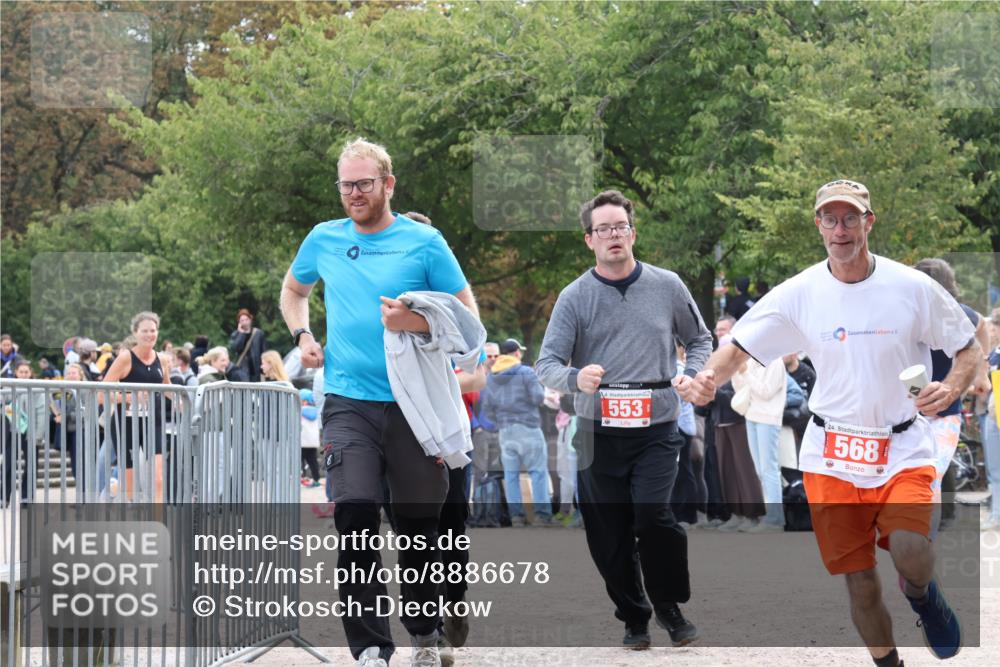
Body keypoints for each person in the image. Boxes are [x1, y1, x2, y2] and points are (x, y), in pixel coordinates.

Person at [680, 179, 977, 666]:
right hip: (832, 455)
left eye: (850, 218)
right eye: (830, 219)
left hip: (902, 447)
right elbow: (740, 344)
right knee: (859, 581)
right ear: (818, 225)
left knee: (910, 550)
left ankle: (922, 595)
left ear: (868, 222)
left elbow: (968, 345)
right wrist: (707, 378)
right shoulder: (800, 293)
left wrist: (955, 385)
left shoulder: (912, 287)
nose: (840, 229)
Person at [280, 137, 479, 667]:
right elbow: (294, 290)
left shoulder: (425, 242)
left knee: (417, 525)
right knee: (355, 512)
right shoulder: (324, 238)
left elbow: (469, 326)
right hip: (348, 401)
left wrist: (412, 321)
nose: (354, 194)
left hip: (414, 407)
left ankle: (424, 632)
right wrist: (303, 336)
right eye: (346, 185)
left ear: (388, 184)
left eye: (364, 183)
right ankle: (370, 647)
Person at [535, 189, 711, 650]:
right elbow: (547, 364)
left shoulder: (667, 285)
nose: (613, 235)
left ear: (632, 233)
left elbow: (700, 340)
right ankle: (635, 617)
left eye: (620, 227)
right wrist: (577, 377)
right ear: (589, 240)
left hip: (656, 427)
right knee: (608, 534)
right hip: (597, 433)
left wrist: (690, 376)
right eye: (603, 229)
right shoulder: (574, 297)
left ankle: (669, 606)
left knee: (654, 516)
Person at [912, 258, 990, 532]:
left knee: (929, 477)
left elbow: (983, 327)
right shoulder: (905, 314)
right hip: (909, 416)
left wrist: (981, 370)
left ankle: (924, 544)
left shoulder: (957, 313)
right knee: (916, 479)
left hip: (945, 416)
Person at [478, 338, 554, 527]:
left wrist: (501, 422)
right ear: (517, 353)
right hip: (528, 427)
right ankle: (542, 516)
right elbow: (537, 397)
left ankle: (516, 517)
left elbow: (487, 409)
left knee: (511, 475)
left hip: (505, 431)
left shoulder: (491, 377)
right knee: (537, 472)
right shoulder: (526, 373)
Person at [102, 312, 172, 503]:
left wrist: (184, 399)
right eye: (144, 331)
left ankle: (158, 522)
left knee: (158, 478)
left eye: (153, 330)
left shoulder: (163, 359)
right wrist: (129, 398)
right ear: (135, 333)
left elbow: (167, 387)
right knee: (130, 485)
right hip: (126, 423)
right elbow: (101, 394)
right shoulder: (126, 358)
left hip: (153, 422)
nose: (149, 335)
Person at [733, 357, 786, 532]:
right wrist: (738, 372)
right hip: (751, 415)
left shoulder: (775, 361)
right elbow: (741, 390)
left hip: (768, 418)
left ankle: (775, 518)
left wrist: (745, 372)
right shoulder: (751, 360)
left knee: (769, 469)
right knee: (760, 470)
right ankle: (770, 515)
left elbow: (766, 391)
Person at [230, 308, 268, 382]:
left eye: (246, 319)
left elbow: (264, 351)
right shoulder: (235, 334)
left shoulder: (258, 333)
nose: (245, 322)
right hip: (242, 369)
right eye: (242, 320)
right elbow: (235, 348)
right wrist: (241, 334)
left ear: (250, 320)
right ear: (239, 322)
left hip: (256, 367)